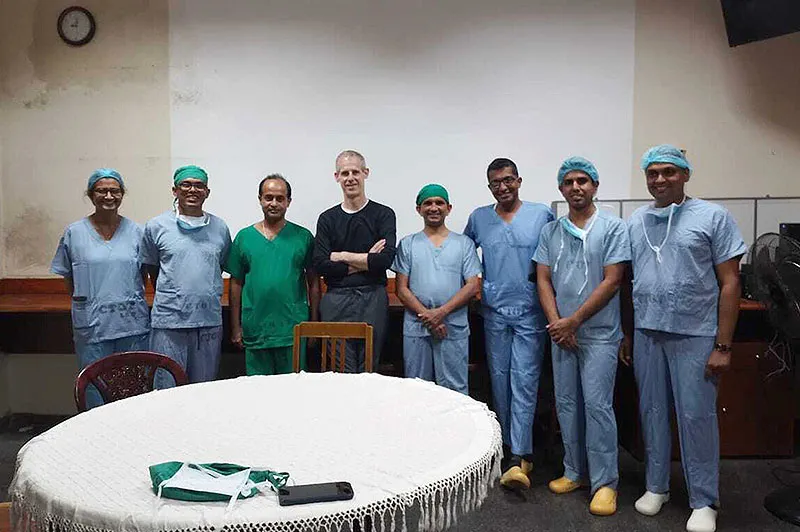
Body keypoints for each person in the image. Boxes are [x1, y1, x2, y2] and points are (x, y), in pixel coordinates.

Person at [624, 145, 746, 532]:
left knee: (696, 417)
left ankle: (704, 499)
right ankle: (657, 487)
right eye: (652, 173)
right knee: (653, 412)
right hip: (648, 332)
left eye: (669, 172)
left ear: (685, 175)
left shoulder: (712, 217)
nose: (659, 179)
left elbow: (730, 284)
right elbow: (631, 282)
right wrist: (629, 333)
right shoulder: (636, 221)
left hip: (695, 334)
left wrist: (723, 346)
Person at [533, 157, 630, 515]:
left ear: (595, 186)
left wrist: (574, 321)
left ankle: (605, 483)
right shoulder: (551, 232)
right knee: (567, 404)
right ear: (561, 188)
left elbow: (613, 279)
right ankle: (574, 471)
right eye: (569, 182)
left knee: (597, 406)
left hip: (599, 334)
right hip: (561, 333)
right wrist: (558, 323)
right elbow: (543, 279)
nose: (576, 187)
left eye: (583, 181)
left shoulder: (613, 228)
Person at [464, 157, 554, 489]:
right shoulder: (480, 218)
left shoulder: (541, 214)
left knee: (526, 378)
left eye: (508, 180)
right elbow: (465, 251)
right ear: (489, 186)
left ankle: (521, 452)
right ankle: (504, 448)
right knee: (499, 379)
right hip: (494, 310)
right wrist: (475, 285)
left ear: (518, 181)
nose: (502, 187)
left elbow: (552, 255)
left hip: (530, 309)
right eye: (495, 183)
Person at [51, 168, 150, 409]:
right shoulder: (74, 233)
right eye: (101, 190)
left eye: (114, 191)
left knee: (132, 387)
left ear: (122, 195)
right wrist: (89, 302)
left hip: (131, 325)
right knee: (95, 387)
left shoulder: (137, 232)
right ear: (91, 194)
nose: (108, 196)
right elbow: (68, 278)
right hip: (92, 325)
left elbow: (144, 275)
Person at [141, 165, 231, 383]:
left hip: (207, 321)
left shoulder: (219, 227)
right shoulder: (157, 226)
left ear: (207, 192)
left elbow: (217, 266)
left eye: (199, 185)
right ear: (175, 190)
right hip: (169, 322)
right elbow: (151, 268)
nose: (193, 190)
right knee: (167, 387)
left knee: (203, 387)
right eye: (186, 184)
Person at [392, 184, 481, 394]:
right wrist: (428, 317)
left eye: (439, 203)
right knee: (417, 389)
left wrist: (440, 313)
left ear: (449, 208)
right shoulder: (408, 244)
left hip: (452, 325)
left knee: (455, 390)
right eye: (428, 203)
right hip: (417, 327)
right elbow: (402, 289)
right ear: (418, 209)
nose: (434, 207)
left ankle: (457, 429)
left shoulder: (464, 244)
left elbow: (472, 285)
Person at [312, 150, 396, 373]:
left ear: (365, 173)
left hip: (373, 298)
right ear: (336, 177)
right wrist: (367, 259)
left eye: (355, 172)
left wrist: (340, 256)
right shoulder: (327, 219)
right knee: (340, 371)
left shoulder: (383, 214)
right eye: (344, 173)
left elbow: (384, 261)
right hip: (336, 300)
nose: (350, 178)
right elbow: (321, 264)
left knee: (369, 369)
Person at [227, 174, 320, 375]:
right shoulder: (244, 237)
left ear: (289, 202)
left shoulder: (302, 237)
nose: (274, 203)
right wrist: (235, 327)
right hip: (256, 327)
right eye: (268, 197)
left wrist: (313, 324)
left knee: (293, 392)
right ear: (260, 199)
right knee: (258, 393)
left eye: (280, 198)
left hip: (292, 329)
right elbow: (235, 284)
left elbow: (313, 283)